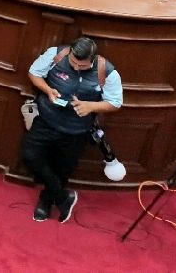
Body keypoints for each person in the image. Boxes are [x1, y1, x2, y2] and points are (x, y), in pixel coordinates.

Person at [21, 36, 122, 223]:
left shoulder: (107, 71)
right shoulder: (56, 54)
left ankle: (46, 200)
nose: (76, 68)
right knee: (30, 155)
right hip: (46, 121)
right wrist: (47, 90)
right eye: (73, 63)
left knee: (62, 169)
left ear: (92, 60)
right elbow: (34, 73)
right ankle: (63, 197)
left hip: (75, 131)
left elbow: (115, 103)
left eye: (82, 66)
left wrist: (91, 106)